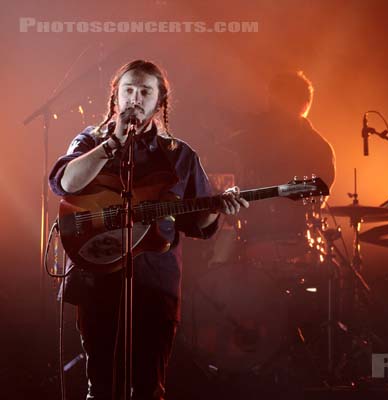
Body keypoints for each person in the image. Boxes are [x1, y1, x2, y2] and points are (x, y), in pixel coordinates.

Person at [49, 59, 248, 400]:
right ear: (115, 97)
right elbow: (65, 183)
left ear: (160, 102)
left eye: (145, 92)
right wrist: (113, 143)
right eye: (128, 90)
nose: (135, 99)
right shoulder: (89, 141)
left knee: (148, 386)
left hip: (155, 282)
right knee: (101, 384)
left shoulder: (179, 155)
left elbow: (195, 222)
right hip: (98, 276)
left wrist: (218, 211)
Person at [224, 70, 335, 261]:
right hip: (248, 233)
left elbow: (319, 191)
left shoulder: (317, 147)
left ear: (303, 105)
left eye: (280, 100)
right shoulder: (250, 137)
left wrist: (276, 191)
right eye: (272, 99)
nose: (272, 106)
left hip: (295, 240)